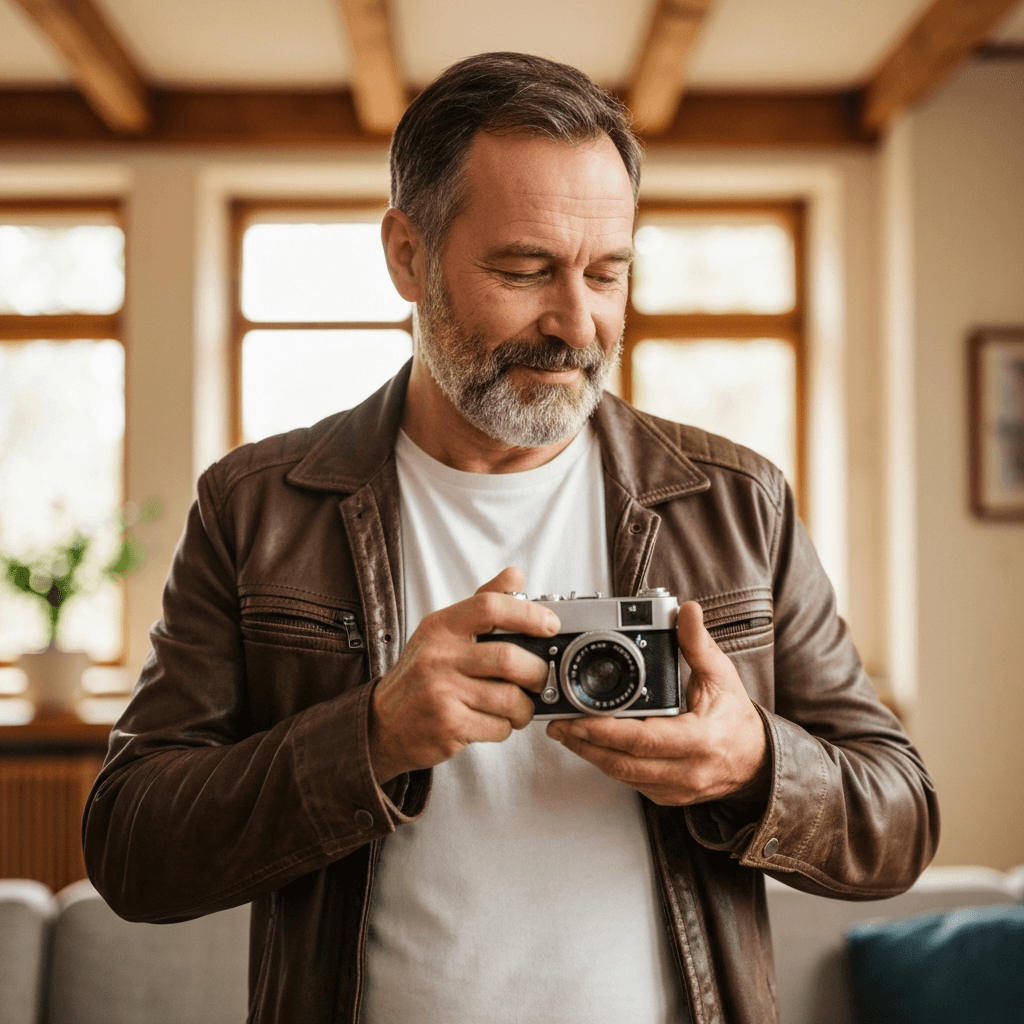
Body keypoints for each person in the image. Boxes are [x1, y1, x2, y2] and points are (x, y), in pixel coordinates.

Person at [83, 52, 939, 1024]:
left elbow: (898, 817)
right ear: (407, 254)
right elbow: (130, 848)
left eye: (607, 273)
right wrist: (370, 735)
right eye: (524, 269)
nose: (576, 322)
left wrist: (752, 763)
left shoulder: (737, 502)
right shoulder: (258, 506)